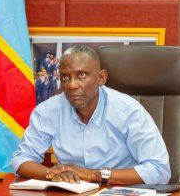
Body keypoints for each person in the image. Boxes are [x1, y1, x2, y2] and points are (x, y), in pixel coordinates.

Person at [10, 45, 170, 186]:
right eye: (65, 77)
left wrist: (92, 175)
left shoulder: (128, 111)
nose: (72, 85)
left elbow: (159, 170)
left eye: (81, 75)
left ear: (101, 78)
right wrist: (54, 175)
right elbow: (21, 159)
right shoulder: (48, 111)